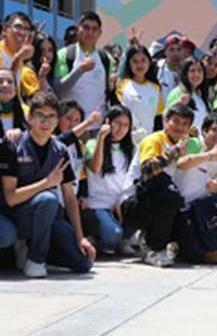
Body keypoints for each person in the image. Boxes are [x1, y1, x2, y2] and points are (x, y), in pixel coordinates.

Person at [5, 92, 96, 277]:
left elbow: (70, 198)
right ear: (30, 118)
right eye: (40, 116)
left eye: (52, 116)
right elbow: (11, 198)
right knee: (48, 198)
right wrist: (46, 183)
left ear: (57, 121)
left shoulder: (60, 150)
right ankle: (35, 260)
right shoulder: (14, 146)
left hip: (47, 216)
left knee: (83, 263)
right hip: (16, 214)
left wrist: (80, 237)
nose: (46, 122)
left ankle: (35, 247)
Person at [125, 103, 195, 267]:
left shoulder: (186, 143)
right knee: (168, 192)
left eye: (185, 124)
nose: (180, 127)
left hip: (157, 200)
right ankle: (154, 248)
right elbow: (148, 170)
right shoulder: (154, 140)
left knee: (188, 236)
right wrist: (175, 152)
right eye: (175, 122)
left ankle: (149, 238)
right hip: (134, 203)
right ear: (165, 121)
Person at [173, 112, 217, 263]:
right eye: (215, 130)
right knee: (192, 248)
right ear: (205, 130)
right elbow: (181, 163)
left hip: (203, 208)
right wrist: (209, 155)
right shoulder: (194, 144)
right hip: (181, 208)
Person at [83, 106, 137, 253]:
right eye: (118, 123)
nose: (121, 129)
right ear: (108, 122)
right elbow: (95, 167)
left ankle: (123, 239)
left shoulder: (131, 149)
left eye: (126, 125)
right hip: (99, 203)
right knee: (112, 234)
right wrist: (101, 137)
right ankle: (104, 238)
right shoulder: (92, 144)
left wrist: (121, 201)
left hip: (121, 201)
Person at [53, 11, 115, 125]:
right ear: (78, 29)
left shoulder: (106, 58)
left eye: (94, 29)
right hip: (71, 126)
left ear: (100, 33)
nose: (90, 32)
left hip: (98, 126)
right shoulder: (64, 54)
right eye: (86, 27)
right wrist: (79, 70)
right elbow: (59, 90)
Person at [116, 44, 164, 144]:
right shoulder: (122, 84)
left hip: (149, 139)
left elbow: (158, 117)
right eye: (135, 61)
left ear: (149, 63)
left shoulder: (155, 87)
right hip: (127, 139)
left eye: (143, 60)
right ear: (129, 64)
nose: (139, 65)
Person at [167, 57, 210, 132]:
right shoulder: (178, 92)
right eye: (192, 71)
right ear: (185, 73)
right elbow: (166, 117)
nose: (196, 74)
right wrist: (180, 104)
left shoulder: (200, 96)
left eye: (199, 71)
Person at [0, 12, 34, 95]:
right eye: (18, 27)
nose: (22, 32)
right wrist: (18, 58)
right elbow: (5, 88)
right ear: (4, 30)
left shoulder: (20, 55)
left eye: (26, 29)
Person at [156, 34, 194, 101]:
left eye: (179, 49)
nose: (175, 53)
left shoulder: (190, 71)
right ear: (165, 52)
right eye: (171, 49)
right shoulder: (156, 68)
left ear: (184, 52)